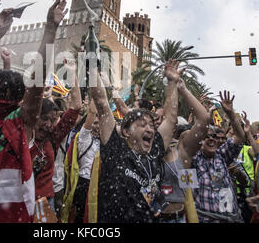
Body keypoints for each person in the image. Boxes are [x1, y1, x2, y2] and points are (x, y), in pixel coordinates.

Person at [89, 60, 182, 223]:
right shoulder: (115, 150)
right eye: (142, 124)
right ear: (126, 132)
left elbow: (171, 119)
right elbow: (102, 105)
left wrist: (172, 83)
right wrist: (90, 67)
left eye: (152, 125)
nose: (150, 130)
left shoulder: (154, 150)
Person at [30, 59, 82, 213]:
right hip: (18, 201)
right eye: (44, 119)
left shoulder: (53, 137)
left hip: (45, 203)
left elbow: (76, 107)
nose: (48, 125)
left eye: (52, 120)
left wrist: (72, 73)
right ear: (33, 116)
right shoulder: (22, 134)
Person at [191, 90, 246, 223]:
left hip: (231, 219)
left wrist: (231, 114)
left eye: (214, 136)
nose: (211, 139)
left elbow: (239, 136)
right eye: (207, 136)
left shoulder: (222, 155)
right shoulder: (193, 159)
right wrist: (201, 112)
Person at [160, 77, 210, 223]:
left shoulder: (181, 152)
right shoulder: (142, 152)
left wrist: (182, 89)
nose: (159, 123)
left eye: (163, 120)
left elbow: (203, 120)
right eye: (155, 120)